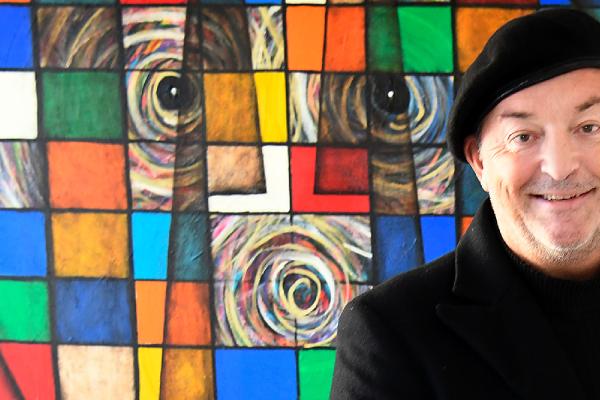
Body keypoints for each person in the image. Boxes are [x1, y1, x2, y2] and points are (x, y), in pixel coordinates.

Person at [330, 8, 600, 400]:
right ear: (479, 162)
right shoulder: (390, 333)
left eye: (590, 127)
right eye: (523, 137)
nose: (560, 168)